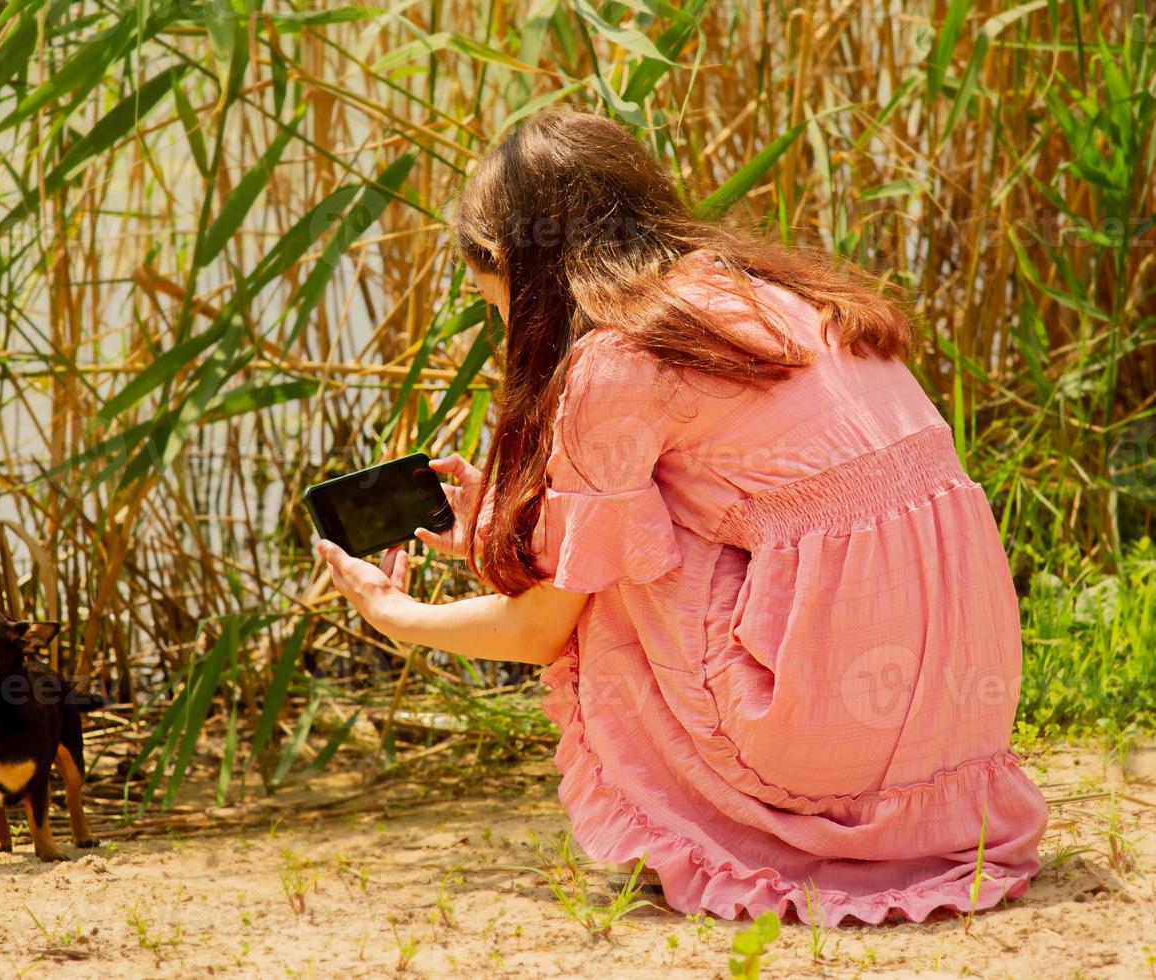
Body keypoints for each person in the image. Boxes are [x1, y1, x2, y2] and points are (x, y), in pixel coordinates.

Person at [313, 108, 1048, 926]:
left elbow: (540, 630)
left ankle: (755, 829)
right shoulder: (772, 295)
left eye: (481, 283)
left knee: (610, 589)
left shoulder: (618, 359)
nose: (487, 309)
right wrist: (506, 522)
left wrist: (398, 616)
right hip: (959, 717)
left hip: (828, 736)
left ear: (513, 262)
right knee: (620, 544)